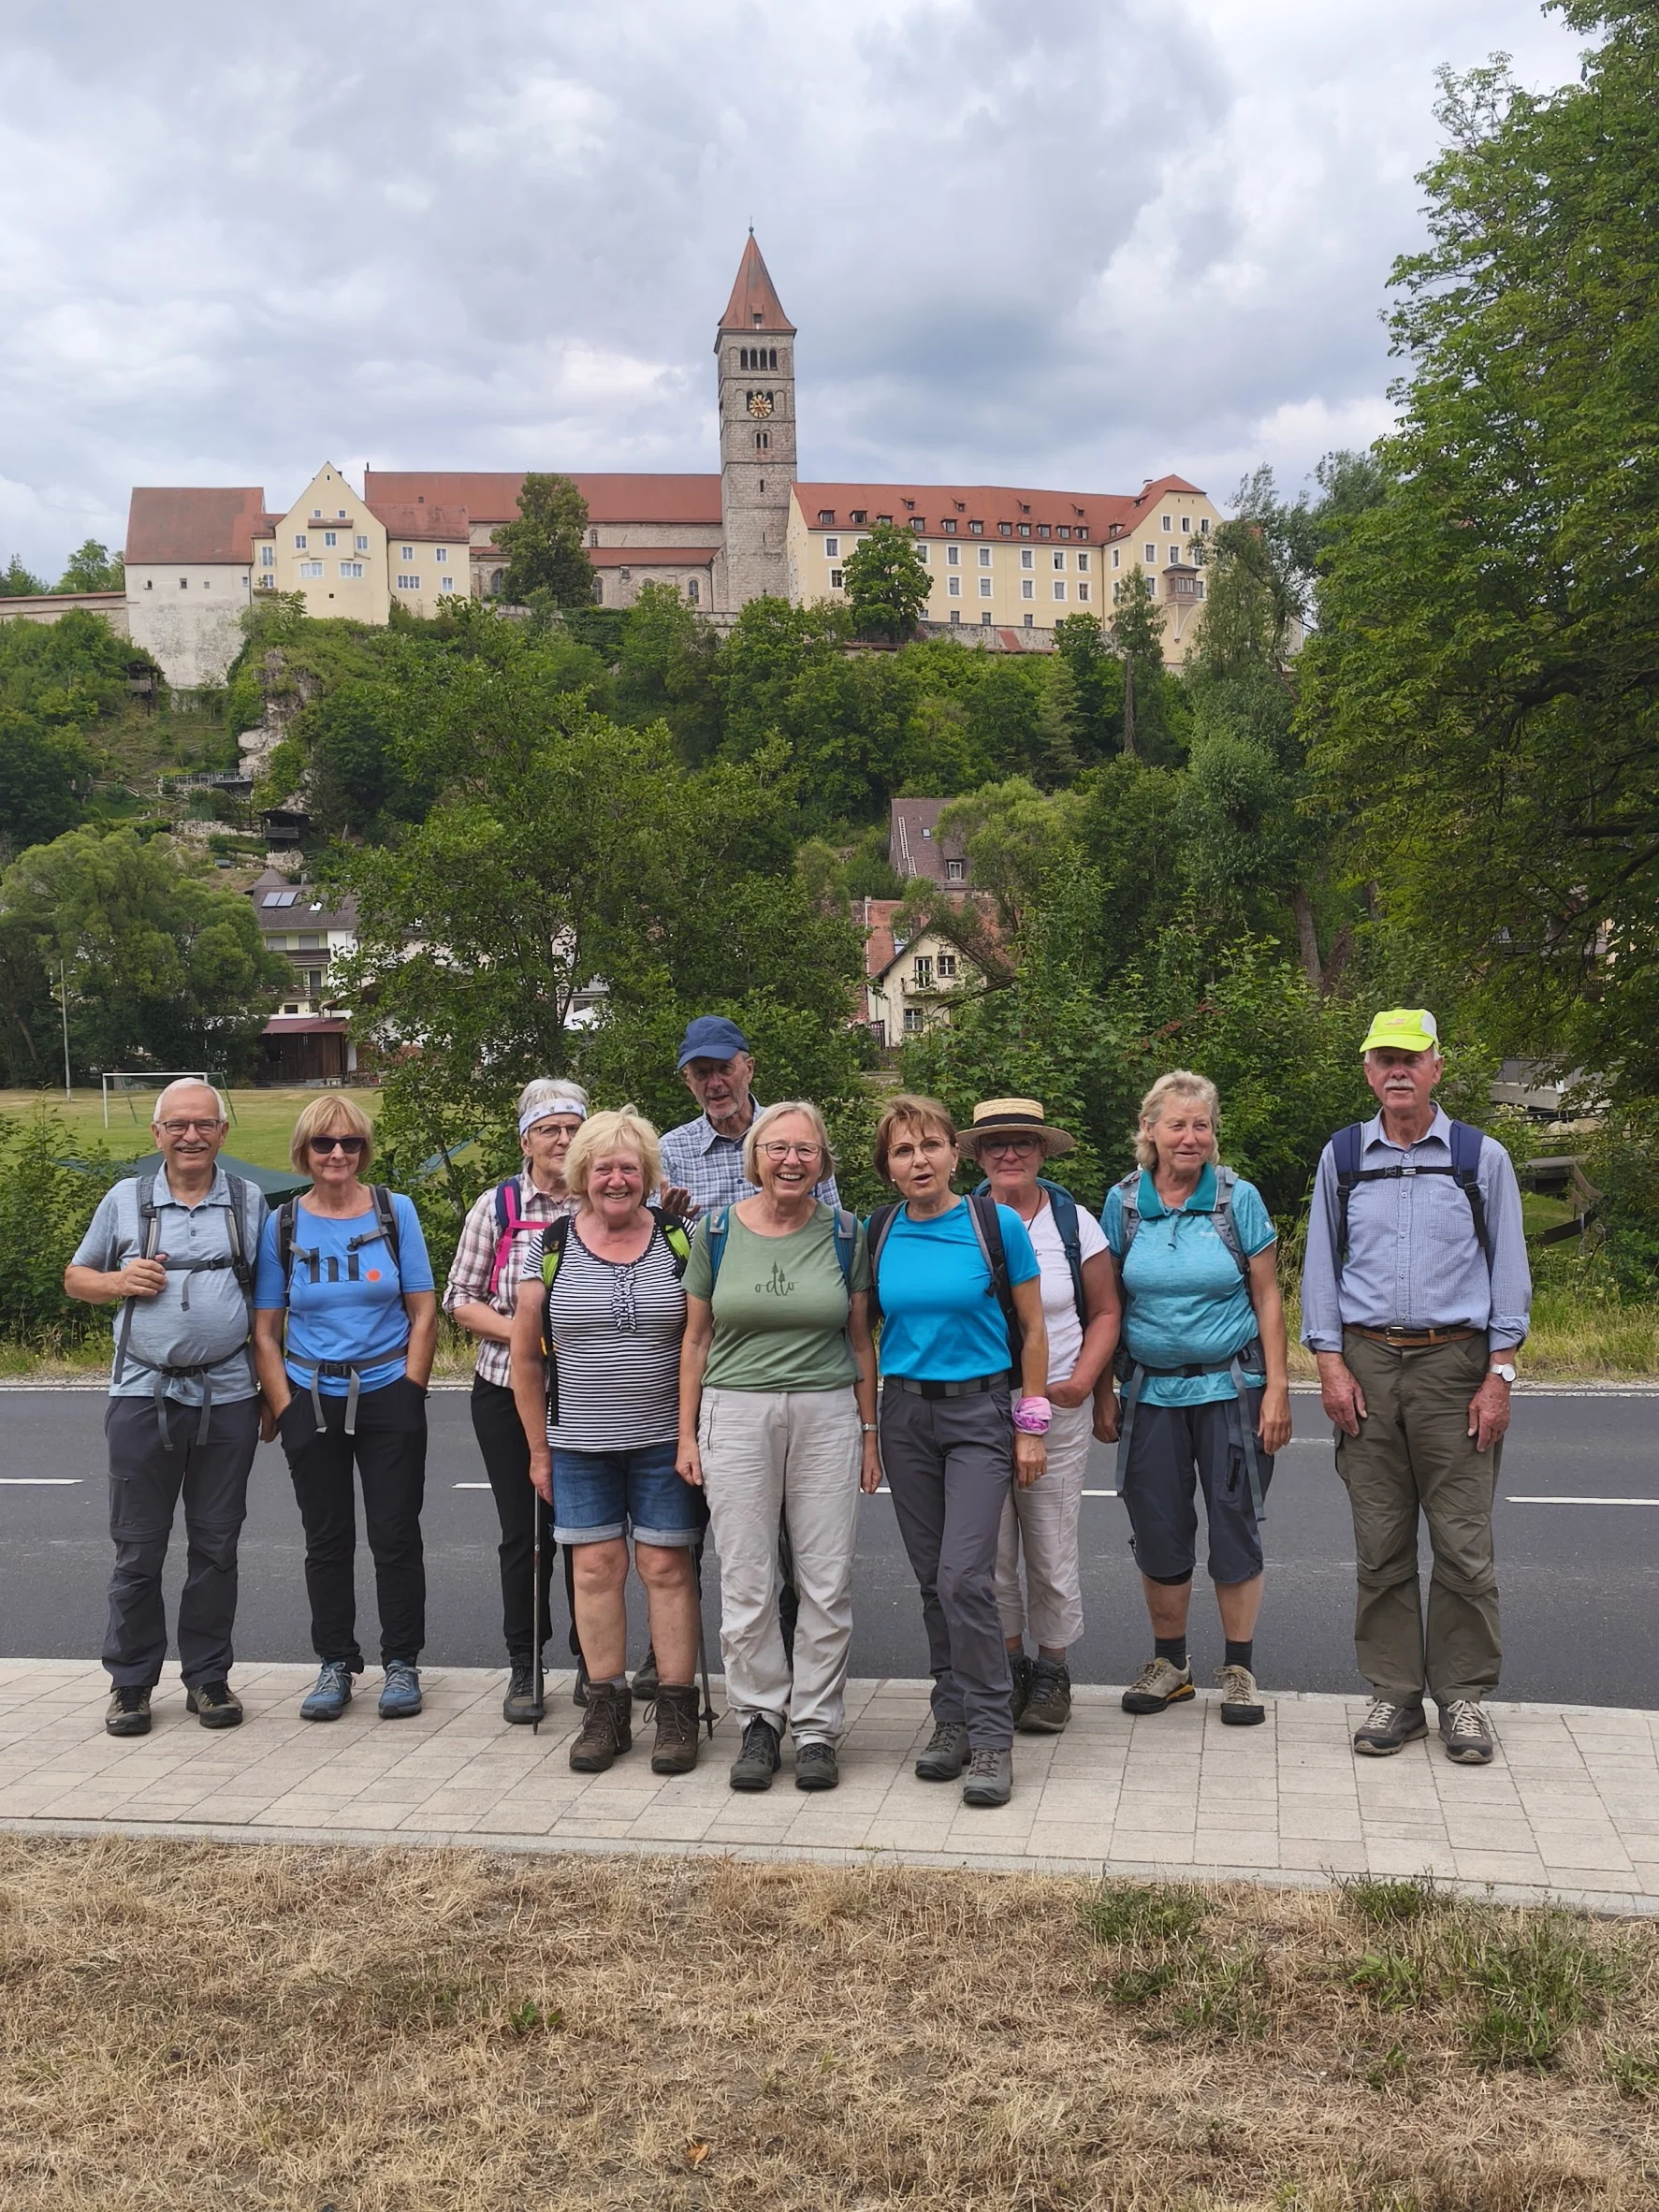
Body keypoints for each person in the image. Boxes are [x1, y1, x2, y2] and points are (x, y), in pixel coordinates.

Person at [1301, 1008, 1531, 1767]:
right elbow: (1320, 1271)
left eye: (1411, 1058)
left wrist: (1499, 1376)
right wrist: (1329, 1367)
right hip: (1365, 1368)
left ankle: (1461, 1695)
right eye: (1382, 1059)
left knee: (1463, 1543)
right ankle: (1394, 1695)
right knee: (1380, 1542)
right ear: (1368, 1072)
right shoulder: (1342, 1156)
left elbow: (1508, 1275)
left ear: (1436, 1066)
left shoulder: (1478, 1157)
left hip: (1454, 1368)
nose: (1396, 1071)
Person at [677, 1101, 878, 1795]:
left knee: (825, 1578)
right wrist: (685, 1433)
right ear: (754, 1158)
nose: (791, 1161)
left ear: (822, 1162)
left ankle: (817, 1727)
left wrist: (869, 1432)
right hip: (733, 1412)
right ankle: (760, 1720)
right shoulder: (717, 1231)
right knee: (747, 1576)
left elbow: (859, 1341)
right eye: (777, 1148)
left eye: (806, 1150)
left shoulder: (846, 1234)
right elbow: (695, 1340)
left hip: (825, 1413)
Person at [65, 1081, 267, 1738]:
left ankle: (208, 1679)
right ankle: (130, 1684)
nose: (190, 1135)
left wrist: (272, 1394)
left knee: (216, 1545)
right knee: (138, 1548)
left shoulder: (247, 1200)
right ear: (156, 1134)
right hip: (140, 1394)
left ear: (221, 1133)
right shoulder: (125, 1199)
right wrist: (119, 1280)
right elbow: (77, 1278)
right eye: (177, 1125)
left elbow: (268, 1307)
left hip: (229, 1395)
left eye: (203, 1124)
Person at [509, 1107, 705, 1777]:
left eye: (628, 1167)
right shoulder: (552, 1243)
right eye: (602, 1167)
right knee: (594, 1571)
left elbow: (700, 1341)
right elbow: (525, 1358)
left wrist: (690, 1435)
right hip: (578, 1440)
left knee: (666, 1568)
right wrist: (538, 1451)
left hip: (663, 1439)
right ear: (580, 1175)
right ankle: (606, 1707)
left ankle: (677, 1708)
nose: (616, 1179)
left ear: (647, 1175)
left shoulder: (681, 1238)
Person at [869, 1095, 1049, 1811]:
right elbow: (862, 1331)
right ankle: (948, 1719)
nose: (919, 1161)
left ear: (953, 1154)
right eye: (903, 1151)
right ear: (887, 1169)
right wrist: (864, 1430)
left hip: (981, 1412)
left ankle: (990, 1738)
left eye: (930, 1146)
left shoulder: (993, 1225)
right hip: (905, 1412)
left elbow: (1033, 1332)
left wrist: (1029, 1425)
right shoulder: (879, 1233)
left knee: (964, 1578)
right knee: (928, 1579)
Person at [1099, 1071, 1291, 1726]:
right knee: (1158, 1528)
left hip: (1231, 1387)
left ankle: (1238, 1668)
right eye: (1176, 1124)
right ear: (1148, 1130)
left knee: (1234, 1523)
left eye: (1201, 1125)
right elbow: (1108, 1304)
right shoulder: (1122, 1204)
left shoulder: (1237, 1199)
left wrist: (1278, 1391)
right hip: (1150, 1393)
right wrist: (1103, 1388)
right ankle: (1170, 1665)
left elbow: (1267, 1297)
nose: (1190, 1137)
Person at [657, 1012, 838, 1687]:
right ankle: (679, 1652)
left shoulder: (793, 1139)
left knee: (799, 1535)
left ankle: (794, 1650)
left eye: (722, 1067)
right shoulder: (671, 1152)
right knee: (713, 1523)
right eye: (699, 1072)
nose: (713, 1082)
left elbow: (831, 1237)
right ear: (688, 1080)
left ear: (747, 1067)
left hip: (800, 1365)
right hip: (709, 1354)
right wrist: (670, 1223)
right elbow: (656, 1254)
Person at [253, 1097, 436, 1723]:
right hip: (312, 1395)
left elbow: (423, 1309)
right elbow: (265, 1330)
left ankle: (402, 1663)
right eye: (324, 1144)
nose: (337, 1154)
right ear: (303, 1152)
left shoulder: (395, 1211)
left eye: (350, 1143)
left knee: (394, 1535)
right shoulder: (282, 1224)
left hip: (387, 1390)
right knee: (325, 1540)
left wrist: (412, 1391)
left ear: (364, 1150)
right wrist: (285, 1406)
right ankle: (335, 1661)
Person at [965, 1097, 1120, 1734]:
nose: (1008, 1153)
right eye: (995, 1143)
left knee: (1050, 1544)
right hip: (975, 1406)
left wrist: (1086, 1382)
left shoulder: (1072, 1221)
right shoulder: (958, 1219)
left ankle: (1052, 1669)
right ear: (975, 1155)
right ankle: (1008, 1670)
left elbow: (1106, 1310)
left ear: (1040, 1151)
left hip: (1055, 1405)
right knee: (990, 1551)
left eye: (1021, 1143)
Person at [445, 1078, 589, 1724]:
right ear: (525, 1138)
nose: (561, 1141)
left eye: (571, 1128)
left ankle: (595, 1662)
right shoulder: (498, 1205)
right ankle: (526, 1666)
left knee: (591, 1536)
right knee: (524, 1535)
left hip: (594, 1392)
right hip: (506, 1388)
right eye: (549, 1129)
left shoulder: (607, 1193)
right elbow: (460, 1299)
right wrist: (528, 1337)